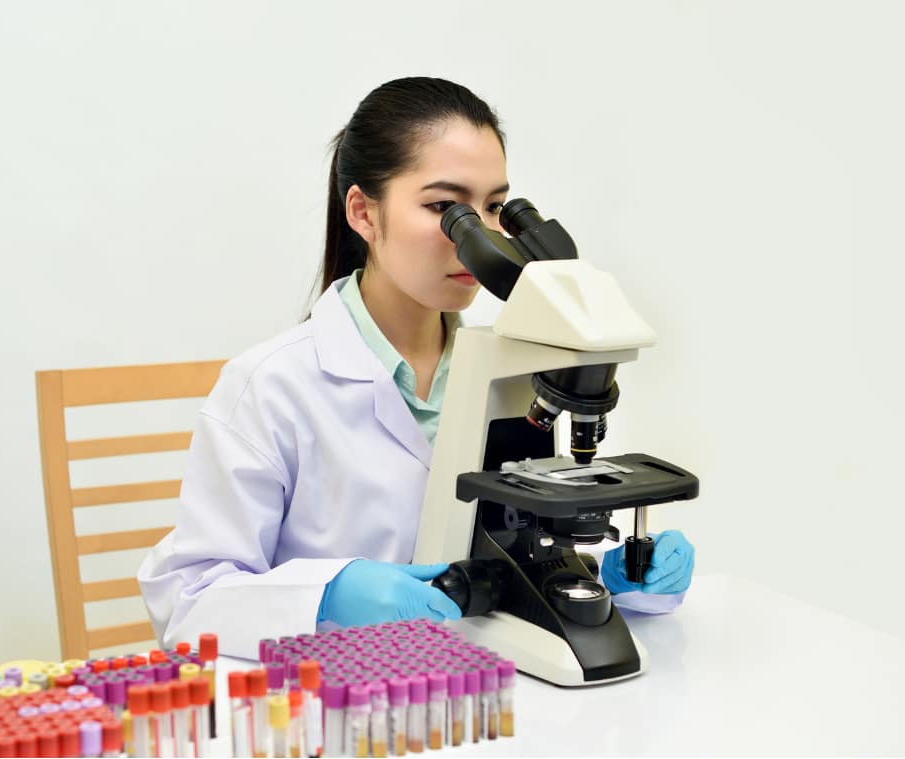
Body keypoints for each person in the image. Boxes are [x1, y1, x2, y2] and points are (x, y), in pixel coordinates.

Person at [139, 77, 694, 656]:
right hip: (343, 693)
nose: (480, 237)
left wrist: (616, 578)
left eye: (495, 208)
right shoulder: (271, 386)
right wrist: (327, 595)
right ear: (363, 212)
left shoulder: (512, 373)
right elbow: (188, 602)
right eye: (445, 208)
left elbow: (521, 545)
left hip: (488, 684)